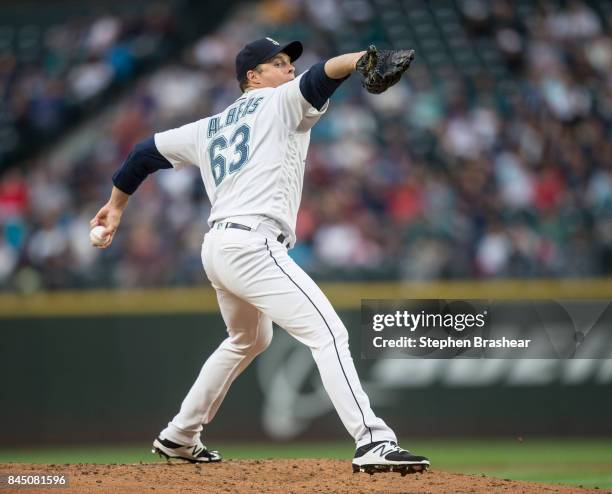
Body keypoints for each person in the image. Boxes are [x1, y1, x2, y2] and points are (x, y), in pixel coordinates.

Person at [90, 37, 430, 474]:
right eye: (279, 63)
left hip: (218, 247)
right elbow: (324, 73)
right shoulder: (278, 102)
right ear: (253, 76)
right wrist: (364, 59)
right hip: (253, 244)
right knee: (328, 333)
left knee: (249, 339)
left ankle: (180, 434)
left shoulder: (207, 127)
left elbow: (141, 154)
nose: (289, 69)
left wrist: (115, 206)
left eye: (290, 63)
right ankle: (373, 441)